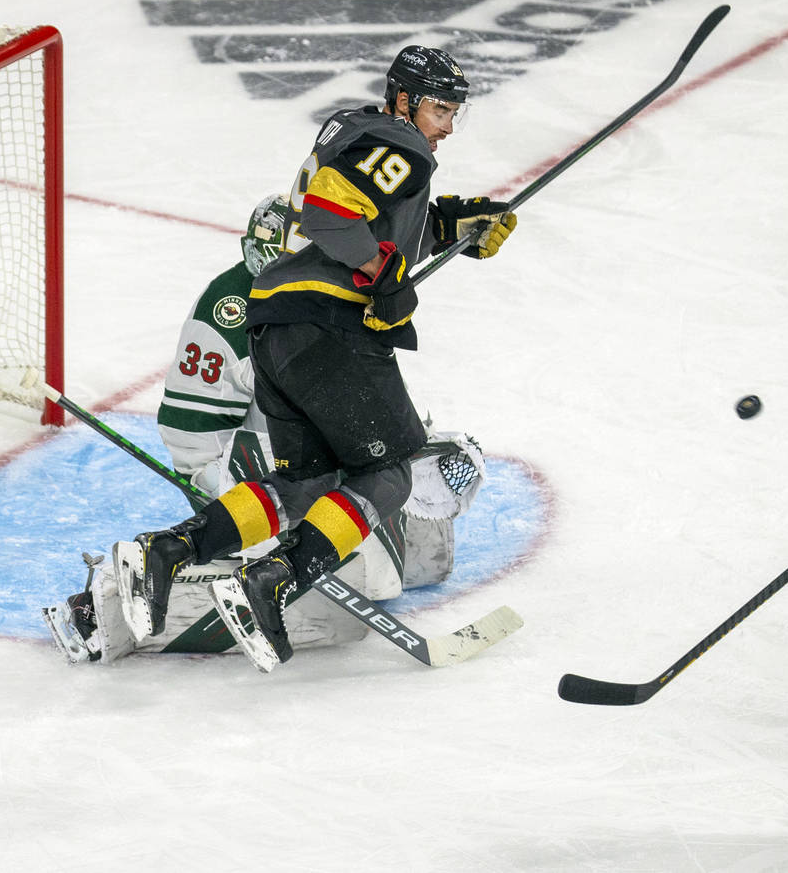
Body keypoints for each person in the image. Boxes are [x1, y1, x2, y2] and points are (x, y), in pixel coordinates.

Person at [111, 44, 517, 672]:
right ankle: (270, 581)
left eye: (455, 111)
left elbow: (363, 212)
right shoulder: (399, 144)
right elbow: (331, 212)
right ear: (405, 100)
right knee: (389, 473)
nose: (448, 125)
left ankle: (166, 551)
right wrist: (382, 271)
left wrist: (454, 228)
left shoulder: (360, 134)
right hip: (328, 328)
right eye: (440, 108)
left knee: (303, 484)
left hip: (275, 327)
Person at [43, 193, 487, 664]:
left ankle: (221, 553)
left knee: (385, 562)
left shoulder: (313, 290)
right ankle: (119, 596)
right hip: (236, 461)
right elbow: (188, 431)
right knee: (357, 542)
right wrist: (222, 492)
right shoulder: (236, 312)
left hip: (288, 446)